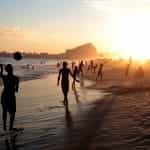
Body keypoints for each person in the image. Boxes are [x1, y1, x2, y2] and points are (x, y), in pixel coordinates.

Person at [0, 64, 19, 131]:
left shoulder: (4, 77)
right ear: (12, 69)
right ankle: (10, 127)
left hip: (4, 95)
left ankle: (4, 127)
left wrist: (1, 68)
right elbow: (16, 90)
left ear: (6, 70)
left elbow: (0, 74)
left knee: (4, 111)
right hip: (11, 96)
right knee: (12, 112)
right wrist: (12, 88)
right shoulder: (16, 78)